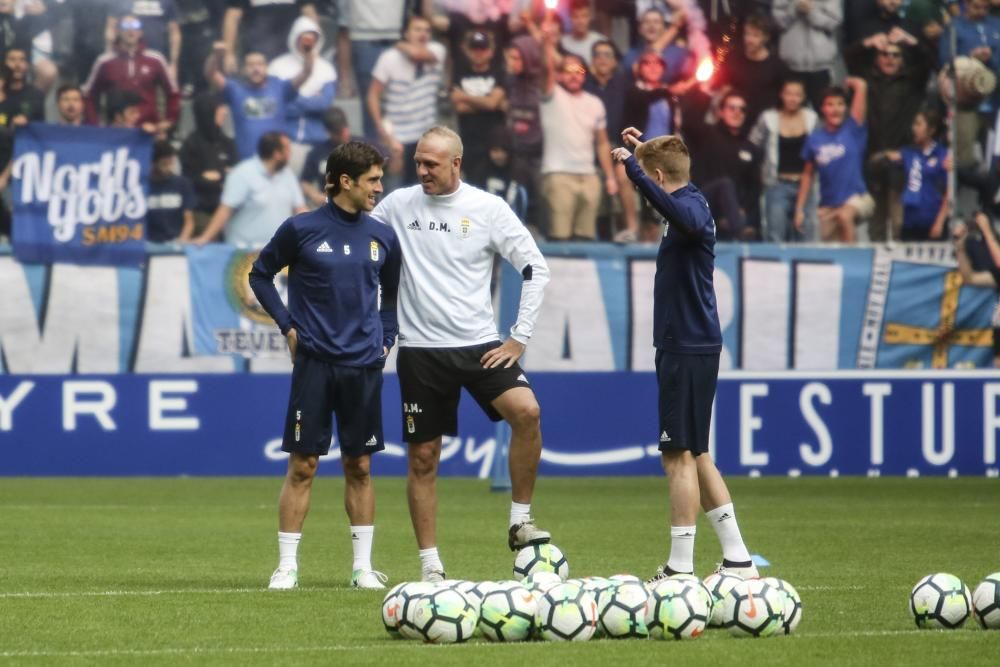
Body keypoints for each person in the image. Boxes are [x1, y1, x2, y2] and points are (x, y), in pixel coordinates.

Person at [371, 126, 552, 582]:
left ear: (456, 163)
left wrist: (518, 338)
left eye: (431, 163)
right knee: (423, 458)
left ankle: (519, 520)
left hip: (479, 346)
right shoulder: (397, 205)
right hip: (420, 351)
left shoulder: (488, 209)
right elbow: (360, 245)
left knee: (527, 412)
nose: (422, 171)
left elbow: (535, 267)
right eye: (417, 162)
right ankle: (431, 566)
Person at [249, 140, 401, 590]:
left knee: (361, 466)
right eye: (372, 179)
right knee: (303, 465)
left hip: (364, 368)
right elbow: (260, 274)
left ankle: (361, 569)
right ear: (346, 181)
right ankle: (287, 567)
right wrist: (288, 327)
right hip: (314, 365)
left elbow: (391, 295)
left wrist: (386, 338)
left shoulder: (383, 236)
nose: (379, 187)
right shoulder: (300, 229)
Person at [610, 127, 758, 581]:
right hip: (692, 344)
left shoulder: (690, 207)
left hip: (687, 346)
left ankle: (679, 568)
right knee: (696, 452)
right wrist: (644, 155)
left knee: (676, 455)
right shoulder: (690, 198)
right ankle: (738, 559)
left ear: (658, 176)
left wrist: (635, 171)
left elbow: (678, 211)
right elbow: (669, 185)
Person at [539, 27, 618, 241]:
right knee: (560, 237)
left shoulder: (595, 103)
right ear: (560, 75)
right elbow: (546, 69)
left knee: (586, 239)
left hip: (589, 177)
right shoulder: (551, 95)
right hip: (558, 175)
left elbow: (602, 143)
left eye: (579, 71)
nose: (573, 76)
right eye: (568, 71)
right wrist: (547, 45)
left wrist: (610, 177)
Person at [367, 13, 445, 184]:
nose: (423, 34)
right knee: (393, 191)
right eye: (417, 29)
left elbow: (417, 54)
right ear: (406, 33)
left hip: (425, 137)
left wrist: (399, 43)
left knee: (424, 191)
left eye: (427, 30)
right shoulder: (389, 58)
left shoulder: (437, 50)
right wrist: (383, 131)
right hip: (397, 138)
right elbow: (373, 94)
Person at [192, 131, 307, 245]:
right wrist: (205, 238)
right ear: (277, 154)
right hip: (244, 253)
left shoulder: (288, 175)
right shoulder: (243, 173)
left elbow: (300, 209)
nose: (290, 153)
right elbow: (225, 210)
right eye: (287, 149)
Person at [795, 78, 872, 243]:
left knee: (845, 216)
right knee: (832, 251)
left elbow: (861, 88)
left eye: (840, 104)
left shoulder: (853, 130)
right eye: (830, 104)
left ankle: (853, 261)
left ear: (845, 108)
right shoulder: (814, 139)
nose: (835, 109)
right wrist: (800, 208)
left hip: (858, 198)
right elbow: (807, 175)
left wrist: (854, 84)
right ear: (822, 109)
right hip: (828, 206)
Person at [207, 45, 313, 161]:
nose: (256, 68)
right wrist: (215, 56)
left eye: (260, 64)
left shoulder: (280, 88)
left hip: (276, 162)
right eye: (250, 65)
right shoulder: (235, 90)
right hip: (246, 163)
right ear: (243, 70)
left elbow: (306, 73)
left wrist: (309, 52)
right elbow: (211, 74)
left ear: (266, 67)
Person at [83, 14, 180, 136]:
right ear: (118, 31)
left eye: (135, 26)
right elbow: (89, 95)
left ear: (141, 32)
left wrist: (168, 122)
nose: (131, 30)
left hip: (148, 131)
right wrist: (94, 126)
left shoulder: (156, 59)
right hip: (114, 131)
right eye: (125, 26)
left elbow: (173, 93)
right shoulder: (105, 61)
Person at [749, 77, 819, 242]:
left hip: (805, 185)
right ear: (782, 95)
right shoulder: (769, 118)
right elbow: (753, 146)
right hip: (777, 184)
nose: (793, 98)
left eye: (797, 94)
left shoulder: (811, 119)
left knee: (805, 236)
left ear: (803, 97)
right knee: (775, 235)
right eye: (789, 93)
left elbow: (819, 150)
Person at [877, 109, 949, 241]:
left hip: (932, 223)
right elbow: (890, 156)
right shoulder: (909, 153)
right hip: (910, 223)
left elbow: (949, 192)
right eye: (913, 124)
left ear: (931, 129)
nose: (913, 128)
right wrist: (881, 157)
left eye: (918, 124)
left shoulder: (942, 155)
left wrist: (940, 222)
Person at [146, 140, 196, 243]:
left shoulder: (182, 184)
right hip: (149, 243)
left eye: (171, 161)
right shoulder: (143, 186)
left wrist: (182, 241)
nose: (169, 166)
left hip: (175, 242)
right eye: (164, 163)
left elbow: (189, 220)